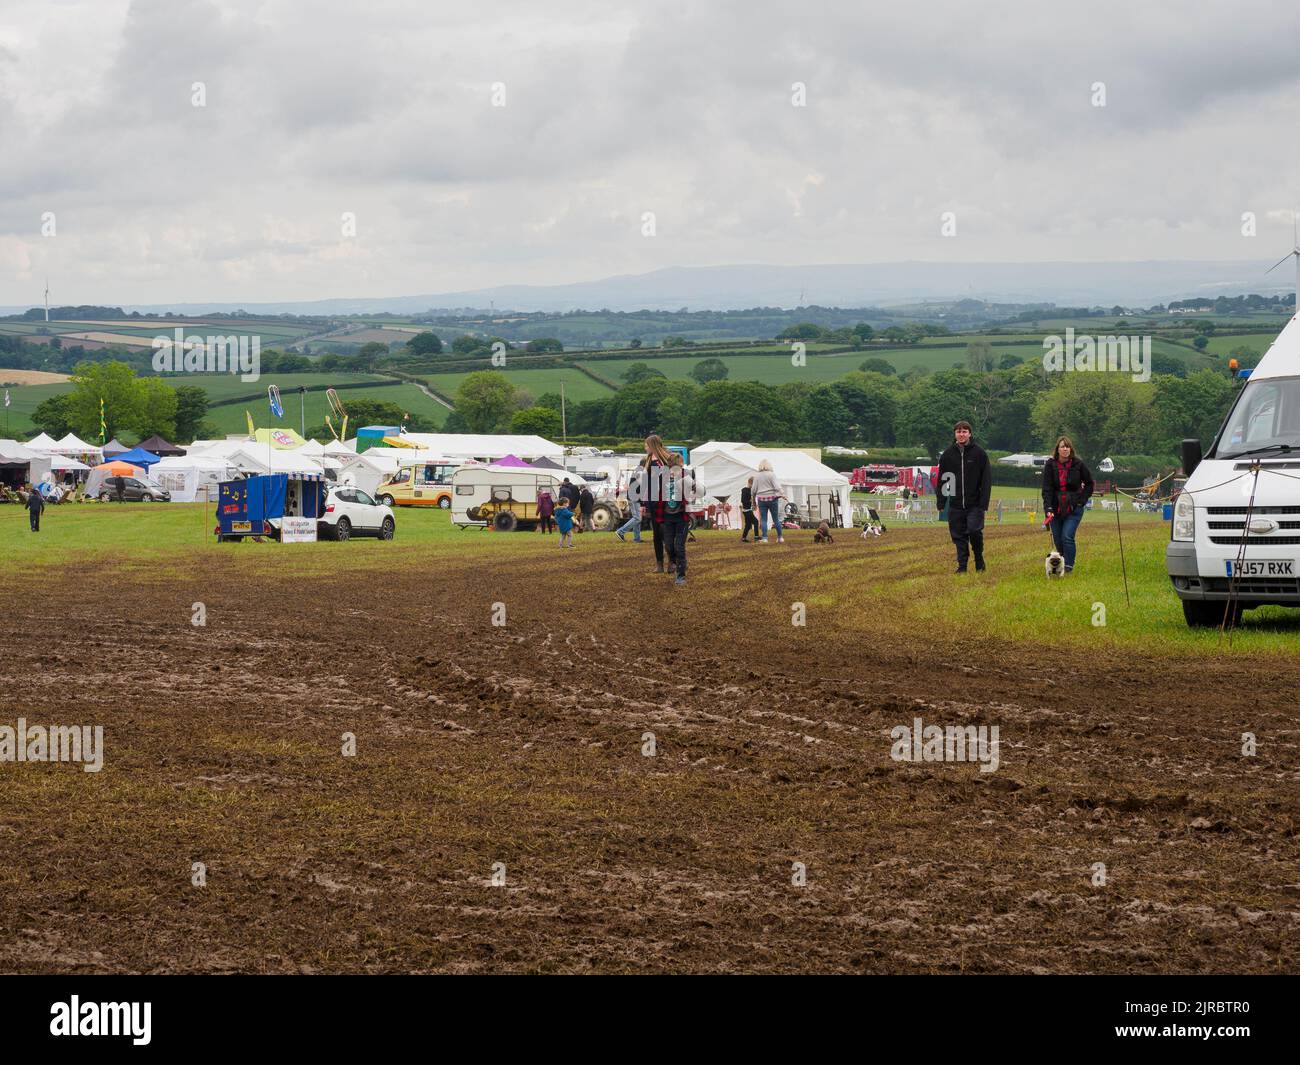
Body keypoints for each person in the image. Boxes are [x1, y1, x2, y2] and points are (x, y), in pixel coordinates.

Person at [635, 434, 697, 584]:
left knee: (666, 534)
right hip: (652, 500)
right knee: (657, 533)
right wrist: (643, 503)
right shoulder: (647, 461)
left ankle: (672, 561)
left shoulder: (667, 460)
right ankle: (659, 563)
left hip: (665, 500)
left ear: (653, 445)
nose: (645, 447)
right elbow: (645, 484)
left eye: (646, 444)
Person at [936, 420, 992, 573]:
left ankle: (979, 559)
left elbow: (986, 480)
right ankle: (962, 566)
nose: (961, 434)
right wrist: (941, 501)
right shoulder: (947, 455)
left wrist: (983, 502)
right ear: (955, 434)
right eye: (958, 431)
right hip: (955, 504)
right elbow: (943, 479)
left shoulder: (979, 454)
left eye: (964, 431)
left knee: (974, 531)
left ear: (970, 434)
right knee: (958, 536)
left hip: (974, 504)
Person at [1041, 435, 1094, 574]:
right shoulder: (1050, 465)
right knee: (1058, 539)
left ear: (1071, 449)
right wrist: (1048, 508)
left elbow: (1090, 484)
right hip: (1055, 507)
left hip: (1073, 508)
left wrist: (1082, 501)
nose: (1065, 449)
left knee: (1067, 536)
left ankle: (1068, 566)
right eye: (1062, 446)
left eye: (1067, 446)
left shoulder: (1078, 464)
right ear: (1057, 450)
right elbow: (1047, 488)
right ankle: (1059, 566)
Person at [749, 459, 787, 544]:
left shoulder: (757, 476)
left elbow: (753, 490)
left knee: (763, 520)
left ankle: (765, 538)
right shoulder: (771, 475)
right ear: (769, 466)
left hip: (761, 500)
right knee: (776, 519)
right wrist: (783, 494)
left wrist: (753, 503)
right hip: (773, 499)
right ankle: (780, 537)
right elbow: (777, 487)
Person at [739, 477, 760, 542]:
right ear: (750, 483)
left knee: (748, 525)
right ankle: (756, 537)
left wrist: (753, 503)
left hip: (748, 510)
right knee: (755, 522)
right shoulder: (744, 490)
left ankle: (744, 538)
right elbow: (743, 500)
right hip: (746, 510)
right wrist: (750, 501)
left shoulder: (750, 490)